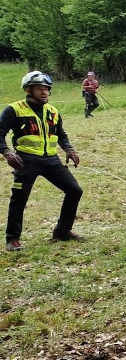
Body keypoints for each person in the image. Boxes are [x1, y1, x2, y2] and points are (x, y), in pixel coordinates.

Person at [2, 71, 83, 251]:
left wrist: (69, 149)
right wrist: (7, 153)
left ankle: (62, 232)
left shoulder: (52, 111)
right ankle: (12, 239)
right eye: (40, 89)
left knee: (74, 190)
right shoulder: (14, 110)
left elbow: (60, 134)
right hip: (25, 161)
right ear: (29, 90)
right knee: (19, 199)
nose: (44, 92)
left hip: (51, 160)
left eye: (47, 89)